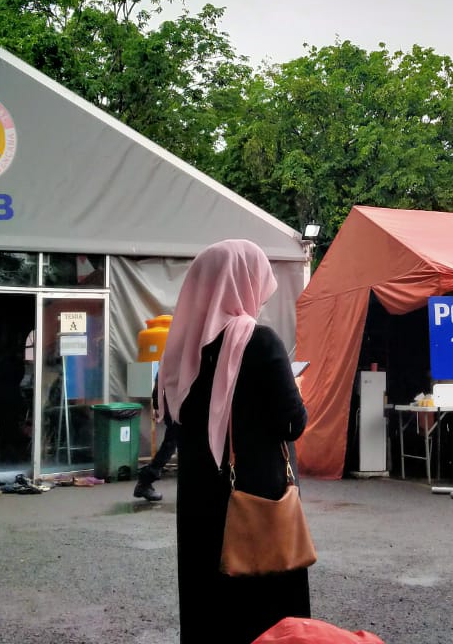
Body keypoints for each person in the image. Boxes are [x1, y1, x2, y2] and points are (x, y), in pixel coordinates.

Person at [157, 240, 310, 644]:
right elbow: (293, 423)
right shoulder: (258, 342)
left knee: (208, 603)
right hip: (256, 498)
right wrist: (293, 386)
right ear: (243, 282)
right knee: (264, 610)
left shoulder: (179, 350)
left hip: (200, 500)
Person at [134, 383, 178, 501]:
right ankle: (146, 480)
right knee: (171, 443)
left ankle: (146, 480)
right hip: (177, 402)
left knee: (171, 442)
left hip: (175, 400)